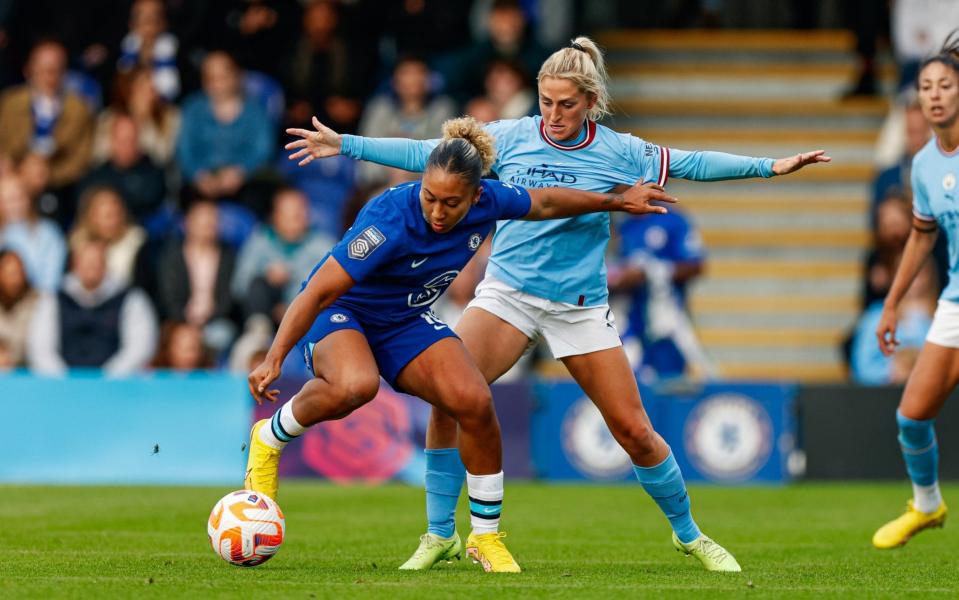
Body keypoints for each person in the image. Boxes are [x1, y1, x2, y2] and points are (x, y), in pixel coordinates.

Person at [286, 36, 830, 573]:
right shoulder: (509, 137)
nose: (553, 113)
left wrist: (769, 167)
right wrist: (347, 144)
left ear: (590, 101)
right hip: (508, 295)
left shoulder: (619, 151)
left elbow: (692, 162)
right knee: (452, 399)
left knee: (634, 430)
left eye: (566, 103)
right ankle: (439, 534)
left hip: (579, 305)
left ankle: (690, 536)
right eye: (546, 101)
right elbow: (428, 154)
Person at [245, 116, 676, 573]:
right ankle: (268, 438)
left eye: (451, 203)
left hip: (405, 318)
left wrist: (616, 201)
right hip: (345, 311)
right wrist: (274, 357)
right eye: (430, 197)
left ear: (476, 195)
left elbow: (546, 202)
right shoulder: (389, 217)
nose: (437, 211)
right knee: (356, 385)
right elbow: (318, 292)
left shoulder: (491, 201)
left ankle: (484, 539)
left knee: (472, 399)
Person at [872, 34, 959, 549]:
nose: (935, 95)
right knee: (911, 416)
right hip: (955, 302)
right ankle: (927, 505)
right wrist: (892, 303)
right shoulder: (925, 164)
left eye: (946, 85)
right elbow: (922, 234)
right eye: (926, 86)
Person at [27, 239, 158, 376]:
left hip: (115, 386)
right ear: (75, 264)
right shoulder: (53, 299)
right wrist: (64, 381)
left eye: (96, 262)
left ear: (105, 264)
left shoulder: (131, 299)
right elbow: (40, 348)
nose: (91, 266)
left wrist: (107, 379)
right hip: (63, 386)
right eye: (86, 261)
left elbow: (139, 348)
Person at [609, 206, 707, 381]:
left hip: (668, 317)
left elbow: (696, 266)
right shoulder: (625, 226)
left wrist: (653, 272)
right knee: (635, 378)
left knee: (678, 376)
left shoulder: (673, 220)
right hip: (632, 319)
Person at [0, 249, 40, 368]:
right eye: (10, 274)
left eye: (18, 273)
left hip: (27, 372)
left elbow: (39, 346)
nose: (15, 280)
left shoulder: (37, 302)